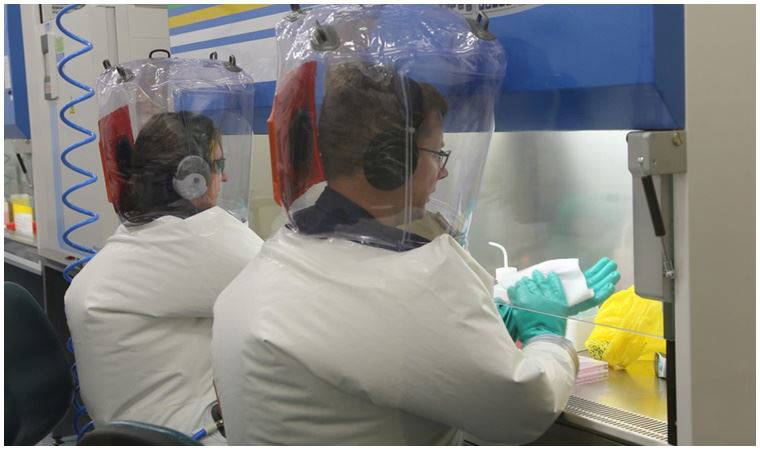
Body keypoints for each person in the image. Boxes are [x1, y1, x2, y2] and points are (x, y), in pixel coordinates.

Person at [212, 5, 619, 445]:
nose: (443, 173)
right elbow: (525, 407)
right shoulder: (402, 283)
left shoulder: (287, 250)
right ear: (392, 160)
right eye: (436, 153)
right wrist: (547, 335)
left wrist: (488, 315)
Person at [65, 57, 262, 444]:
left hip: (125, 432)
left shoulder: (140, 234)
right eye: (218, 164)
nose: (225, 176)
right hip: (184, 435)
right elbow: (287, 285)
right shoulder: (197, 240)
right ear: (192, 179)